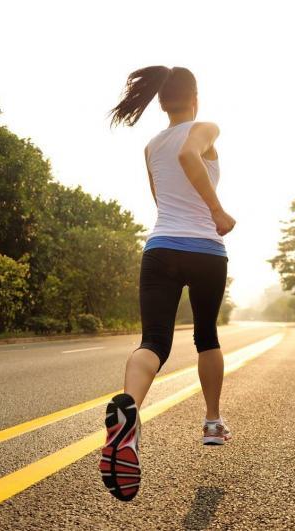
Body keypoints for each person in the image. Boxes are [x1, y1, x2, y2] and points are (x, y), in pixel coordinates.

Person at [99, 66, 236, 502]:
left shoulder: (150, 144)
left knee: (153, 341)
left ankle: (129, 411)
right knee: (205, 334)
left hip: (160, 246)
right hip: (205, 249)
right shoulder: (206, 127)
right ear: (195, 97)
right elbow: (188, 157)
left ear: (161, 102)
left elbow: (161, 199)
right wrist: (216, 210)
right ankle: (212, 422)